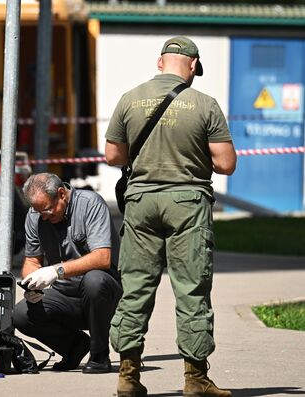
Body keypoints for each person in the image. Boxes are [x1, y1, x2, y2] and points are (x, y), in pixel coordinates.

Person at [105, 36, 237, 397]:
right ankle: (196, 381)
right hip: (187, 205)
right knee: (192, 290)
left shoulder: (129, 99)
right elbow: (226, 163)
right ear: (192, 66)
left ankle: (128, 378)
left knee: (134, 289)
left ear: (161, 62)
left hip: (141, 203)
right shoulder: (204, 103)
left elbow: (113, 157)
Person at [13, 172, 122, 374]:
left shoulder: (90, 204)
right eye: (39, 212)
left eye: (48, 210)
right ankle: (75, 346)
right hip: (65, 294)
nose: (44, 217)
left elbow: (102, 258)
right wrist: (31, 283)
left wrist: (56, 270)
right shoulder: (36, 215)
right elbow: (31, 260)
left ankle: (99, 355)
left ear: (62, 194)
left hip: (102, 295)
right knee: (21, 315)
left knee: (94, 280)